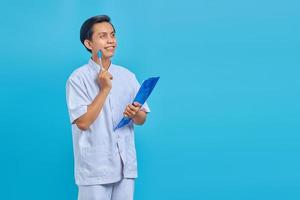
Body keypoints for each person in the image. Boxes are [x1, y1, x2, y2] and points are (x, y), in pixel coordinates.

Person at [65, 15, 150, 200]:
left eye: (112, 35)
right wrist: (104, 90)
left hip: (125, 165)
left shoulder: (127, 76)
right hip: (95, 167)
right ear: (89, 43)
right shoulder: (78, 79)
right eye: (103, 36)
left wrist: (135, 114)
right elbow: (83, 122)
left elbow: (142, 119)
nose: (111, 40)